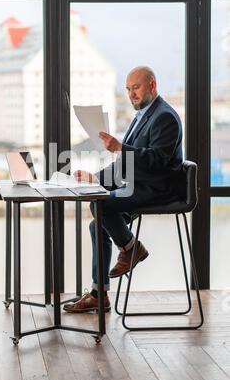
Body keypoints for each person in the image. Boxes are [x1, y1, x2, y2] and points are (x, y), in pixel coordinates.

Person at [63, 66, 183, 313]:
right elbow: (123, 164)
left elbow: (157, 160)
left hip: (157, 188)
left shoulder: (165, 117)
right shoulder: (142, 116)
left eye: (136, 87)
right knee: (96, 223)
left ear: (152, 85)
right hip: (138, 184)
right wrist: (94, 177)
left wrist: (120, 148)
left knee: (101, 203)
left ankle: (132, 248)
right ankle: (99, 294)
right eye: (128, 89)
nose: (131, 94)